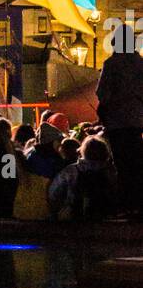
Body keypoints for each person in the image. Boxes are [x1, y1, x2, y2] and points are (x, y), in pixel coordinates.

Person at [96, 22, 143, 214]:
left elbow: (102, 93)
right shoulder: (140, 64)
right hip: (138, 121)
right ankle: (138, 203)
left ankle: (125, 203)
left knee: (122, 163)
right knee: (137, 162)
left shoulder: (112, 64)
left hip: (117, 123)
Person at [48, 135, 118, 220]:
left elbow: (54, 193)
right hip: (106, 217)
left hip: (76, 216)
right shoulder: (111, 170)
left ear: (83, 150)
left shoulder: (71, 171)